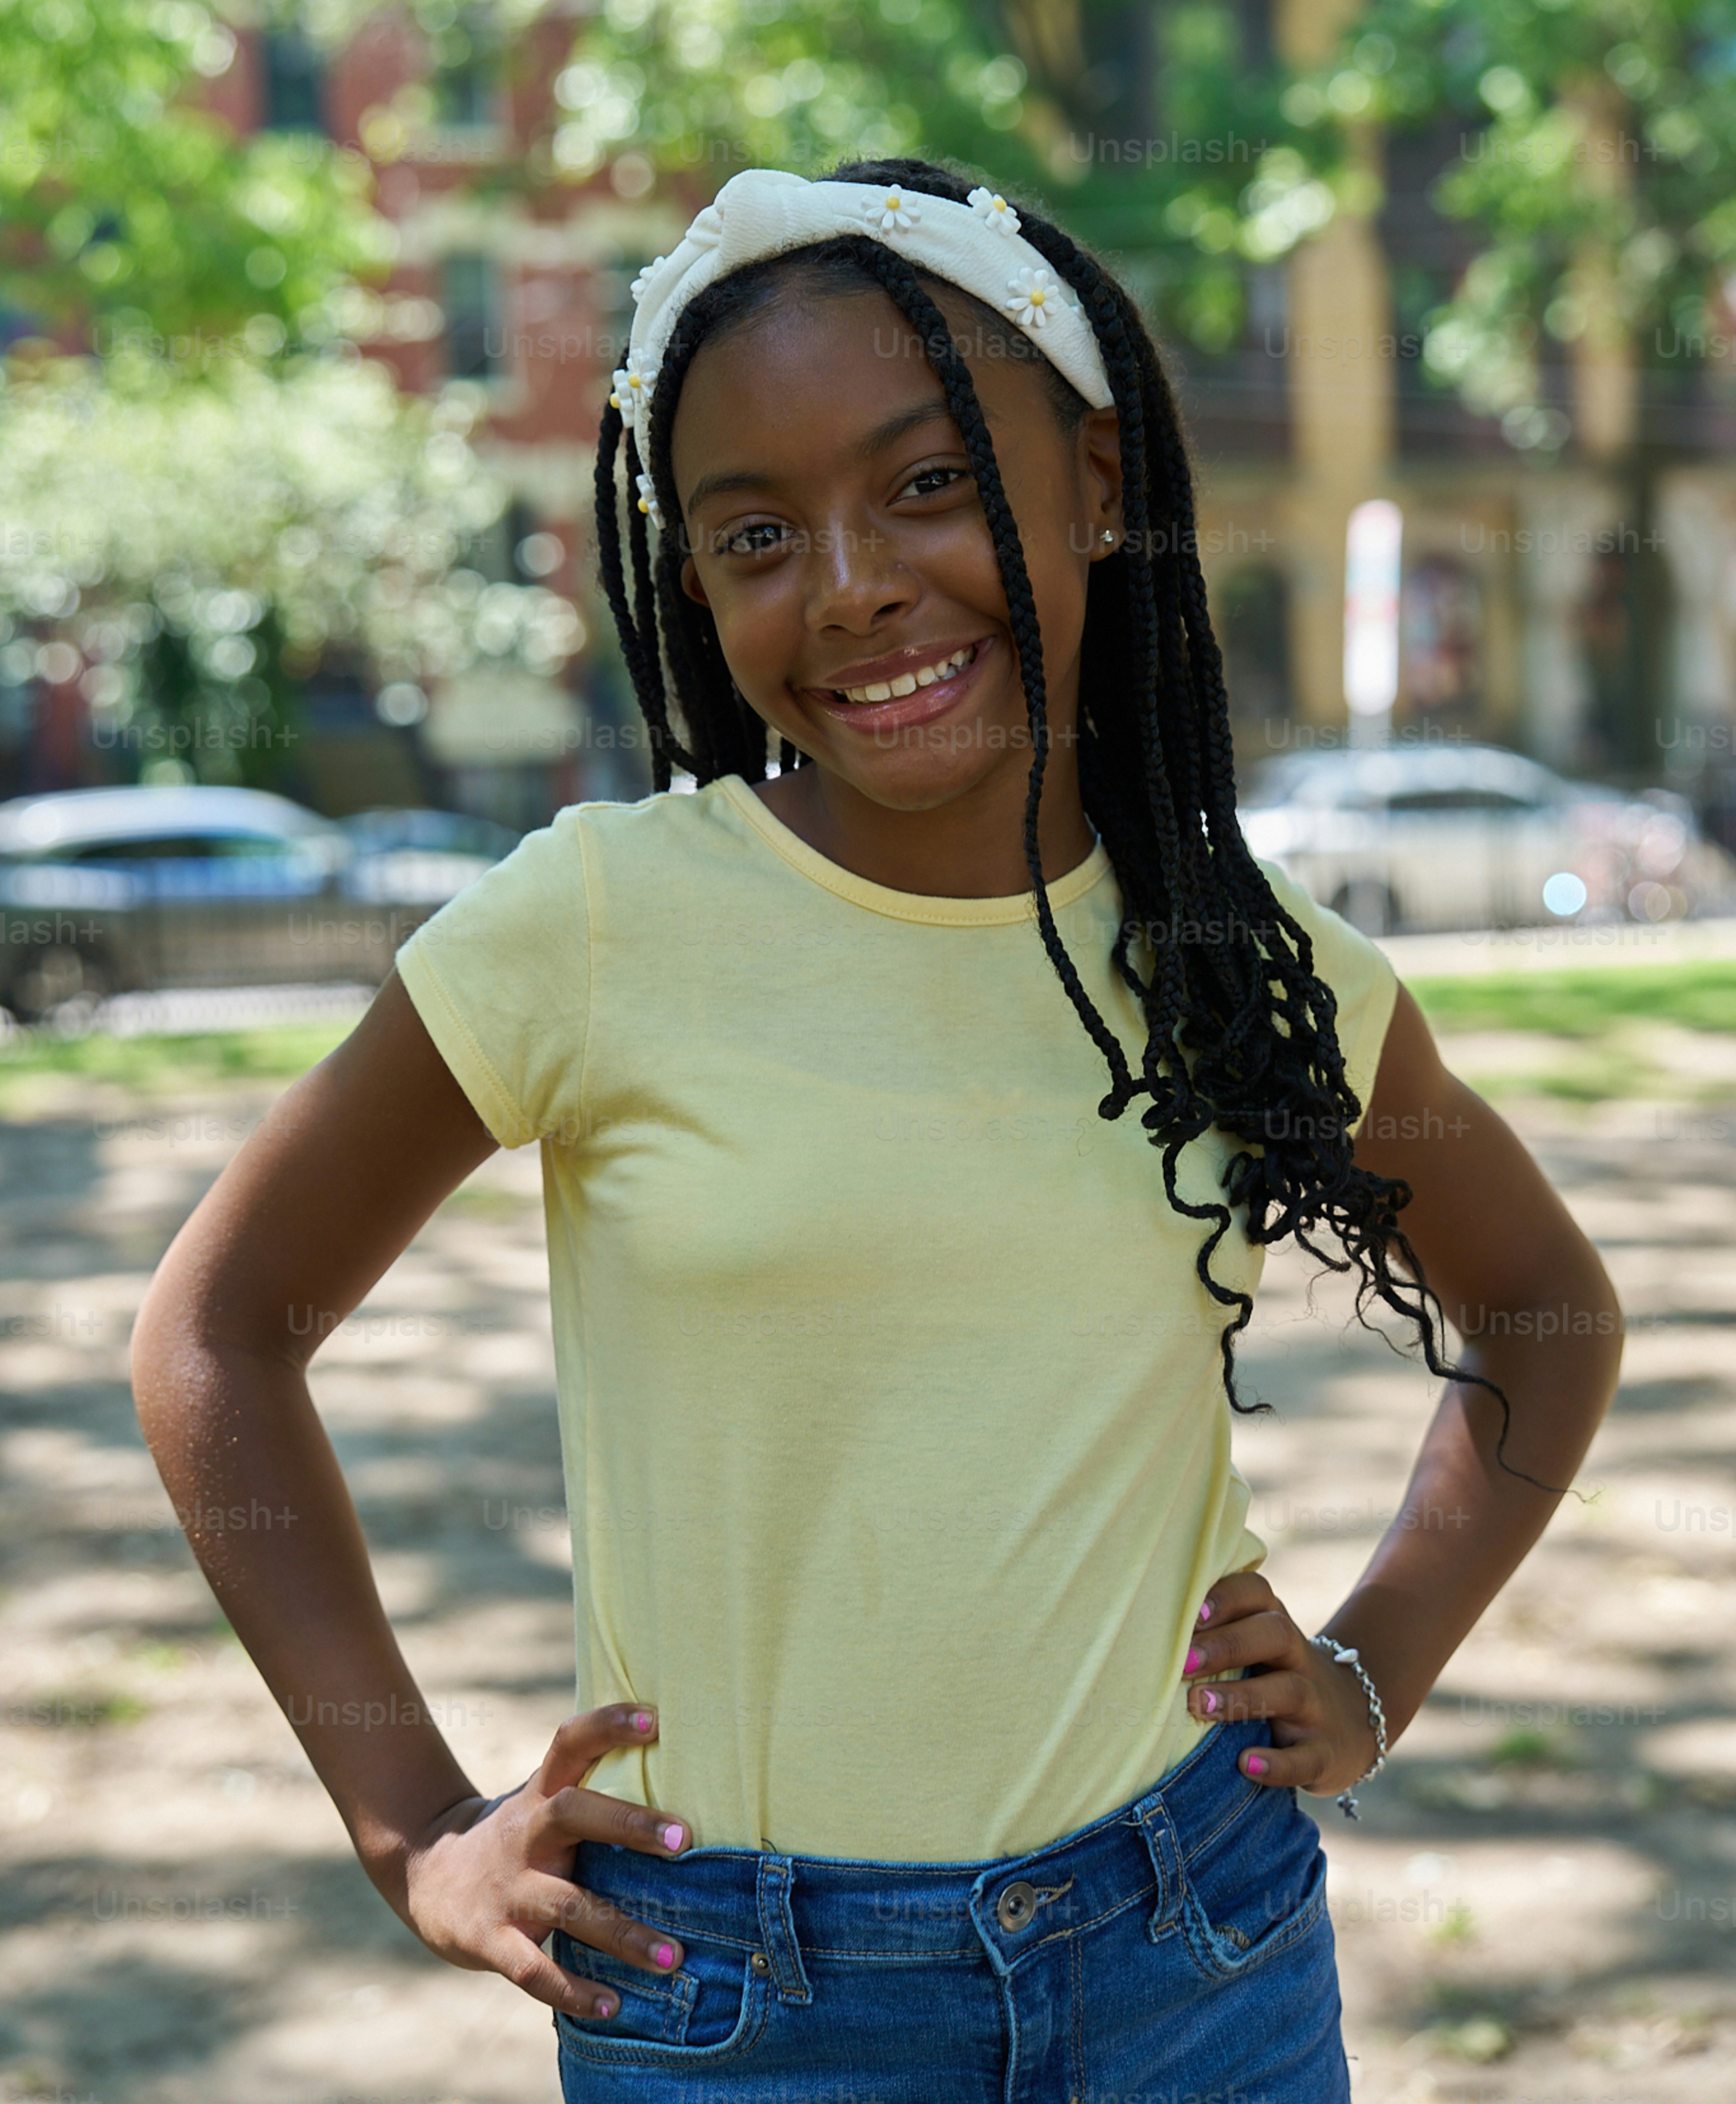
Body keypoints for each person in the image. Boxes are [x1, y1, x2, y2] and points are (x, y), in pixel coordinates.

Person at [132, 159, 1622, 2102]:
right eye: (755, 534)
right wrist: (412, 1826)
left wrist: (1370, 1667)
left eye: (928, 485)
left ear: (1097, 480)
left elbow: (1546, 1315)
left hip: (1197, 1951)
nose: (850, 587)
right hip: (738, 1995)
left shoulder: (1247, 966)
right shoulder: (595, 925)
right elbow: (219, 1334)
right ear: (693, 586)